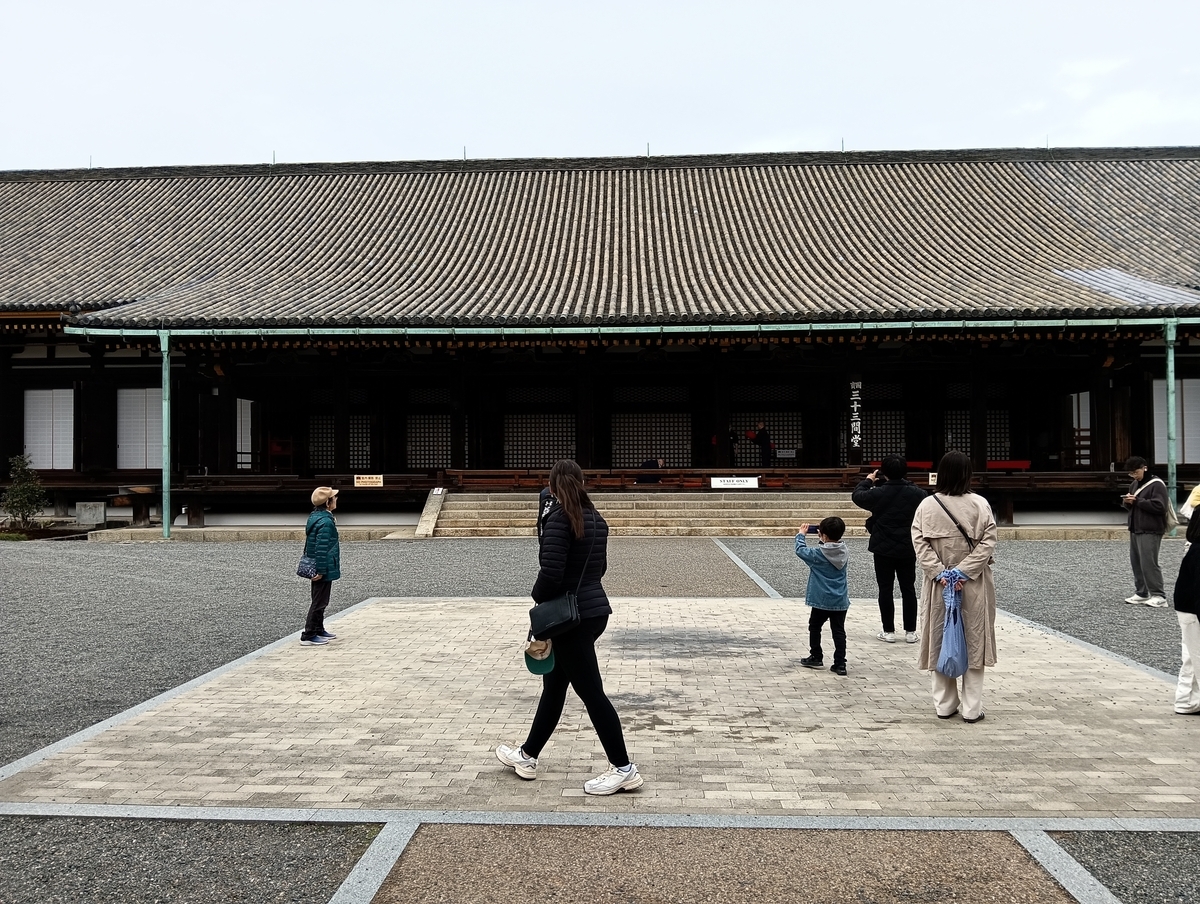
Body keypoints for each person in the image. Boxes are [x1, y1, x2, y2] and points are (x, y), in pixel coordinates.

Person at [496, 459, 643, 795]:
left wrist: (537, 599)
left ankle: (623, 768)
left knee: (591, 693)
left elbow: (550, 572)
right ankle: (527, 755)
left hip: (568, 618)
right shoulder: (596, 519)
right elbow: (600, 568)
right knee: (555, 686)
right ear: (582, 482)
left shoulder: (559, 519)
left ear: (551, 486)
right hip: (592, 610)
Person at [911, 451, 998, 723]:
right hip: (973, 583)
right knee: (974, 640)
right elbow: (988, 542)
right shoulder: (980, 504)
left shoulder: (927, 505)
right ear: (968, 474)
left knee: (939, 637)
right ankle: (972, 708)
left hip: (939, 585)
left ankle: (945, 704)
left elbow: (919, 542)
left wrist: (940, 573)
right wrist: (964, 571)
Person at [852, 454, 928, 644]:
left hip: (882, 545)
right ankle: (910, 631)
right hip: (907, 545)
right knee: (908, 588)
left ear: (883, 472)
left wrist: (868, 481)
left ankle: (889, 631)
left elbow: (858, 496)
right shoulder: (917, 493)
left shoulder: (878, 493)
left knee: (885, 588)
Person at [795, 516, 851, 676]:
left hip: (821, 599)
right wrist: (824, 538)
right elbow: (830, 548)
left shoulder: (817, 554)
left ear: (823, 535)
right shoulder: (844, 551)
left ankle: (816, 656)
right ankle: (840, 663)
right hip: (840, 599)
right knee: (838, 631)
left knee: (815, 626)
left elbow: (800, 550)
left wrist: (801, 535)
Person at [1122, 455, 1170, 607]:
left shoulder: (1157, 484)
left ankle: (1159, 595)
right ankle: (1141, 592)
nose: (1134, 476)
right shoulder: (1134, 484)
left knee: (1149, 563)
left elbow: (1160, 507)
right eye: (1131, 473)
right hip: (1136, 527)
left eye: (1136, 472)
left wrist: (1138, 501)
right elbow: (1133, 506)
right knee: (1136, 562)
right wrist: (1127, 502)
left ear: (1144, 468)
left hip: (1151, 529)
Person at [300, 487, 341, 646]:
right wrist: (321, 570)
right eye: (334, 498)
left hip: (320, 564)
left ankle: (318, 628)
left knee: (320, 600)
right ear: (327, 502)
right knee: (319, 601)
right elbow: (321, 548)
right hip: (323, 566)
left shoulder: (316, 517)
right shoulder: (326, 522)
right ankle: (309, 634)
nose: (336, 500)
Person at [1170, 515, 1200, 715]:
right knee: (1196, 656)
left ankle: (1187, 701)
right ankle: (1186, 700)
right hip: (1193, 609)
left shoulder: (1194, 547)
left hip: (1187, 607)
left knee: (1191, 655)